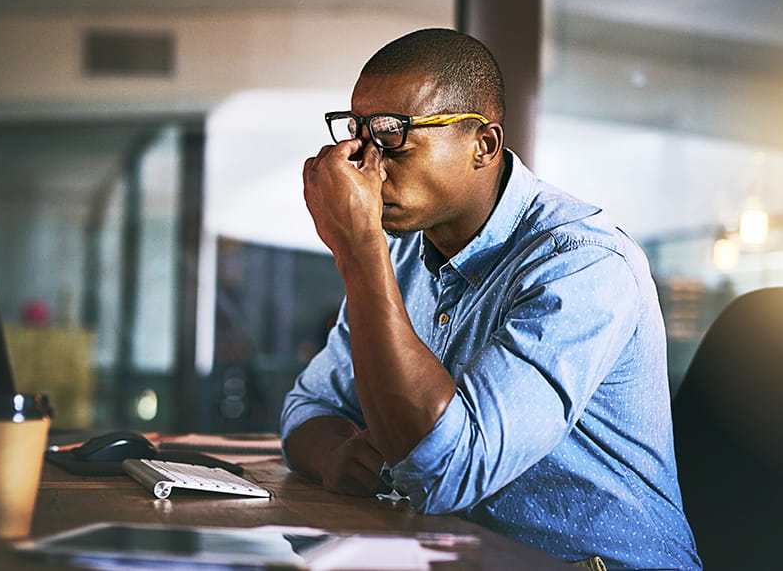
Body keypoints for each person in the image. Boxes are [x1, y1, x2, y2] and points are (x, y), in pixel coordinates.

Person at [281, 28, 700, 571]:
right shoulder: (406, 256)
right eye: (357, 133)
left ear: (484, 145)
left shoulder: (582, 263)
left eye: (392, 136)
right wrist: (336, 453)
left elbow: (445, 469)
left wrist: (358, 249)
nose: (365, 163)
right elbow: (307, 408)